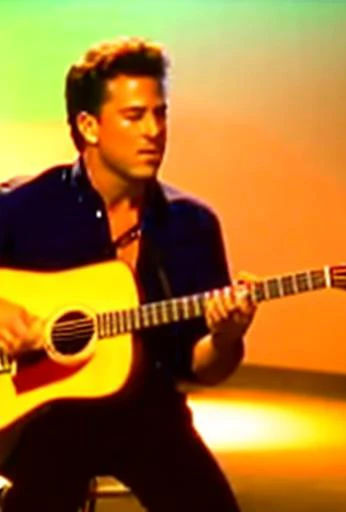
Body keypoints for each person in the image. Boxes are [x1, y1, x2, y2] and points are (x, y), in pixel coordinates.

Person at [0, 37, 256, 511]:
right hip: (44, 411)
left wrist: (225, 338)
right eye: (135, 116)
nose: (154, 131)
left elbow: (200, 367)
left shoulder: (191, 224)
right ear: (89, 125)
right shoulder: (26, 205)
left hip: (146, 412)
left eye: (161, 114)